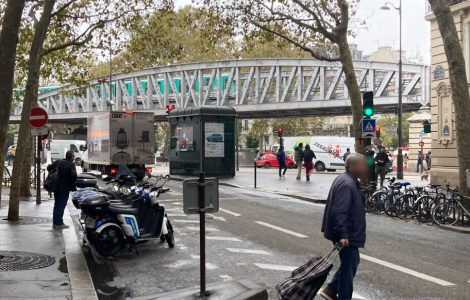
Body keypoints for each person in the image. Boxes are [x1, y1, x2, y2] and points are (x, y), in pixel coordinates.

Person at [320, 153, 367, 300]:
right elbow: (340, 211)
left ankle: (330, 290)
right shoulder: (347, 184)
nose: (365, 167)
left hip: (348, 232)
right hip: (347, 234)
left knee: (352, 261)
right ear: (351, 166)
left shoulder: (348, 180)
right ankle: (343, 297)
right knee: (348, 267)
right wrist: (343, 234)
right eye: (362, 164)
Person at [47, 150, 77, 229]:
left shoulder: (58, 162)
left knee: (57, 204)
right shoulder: (71, 165)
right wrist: (73, 185)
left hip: (56, 187)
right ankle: (58, 223)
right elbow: (74, 175)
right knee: (61, 205)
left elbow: (48, 167)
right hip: (65, 188)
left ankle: (56, 222)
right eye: (73, 156)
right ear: (72, 157)